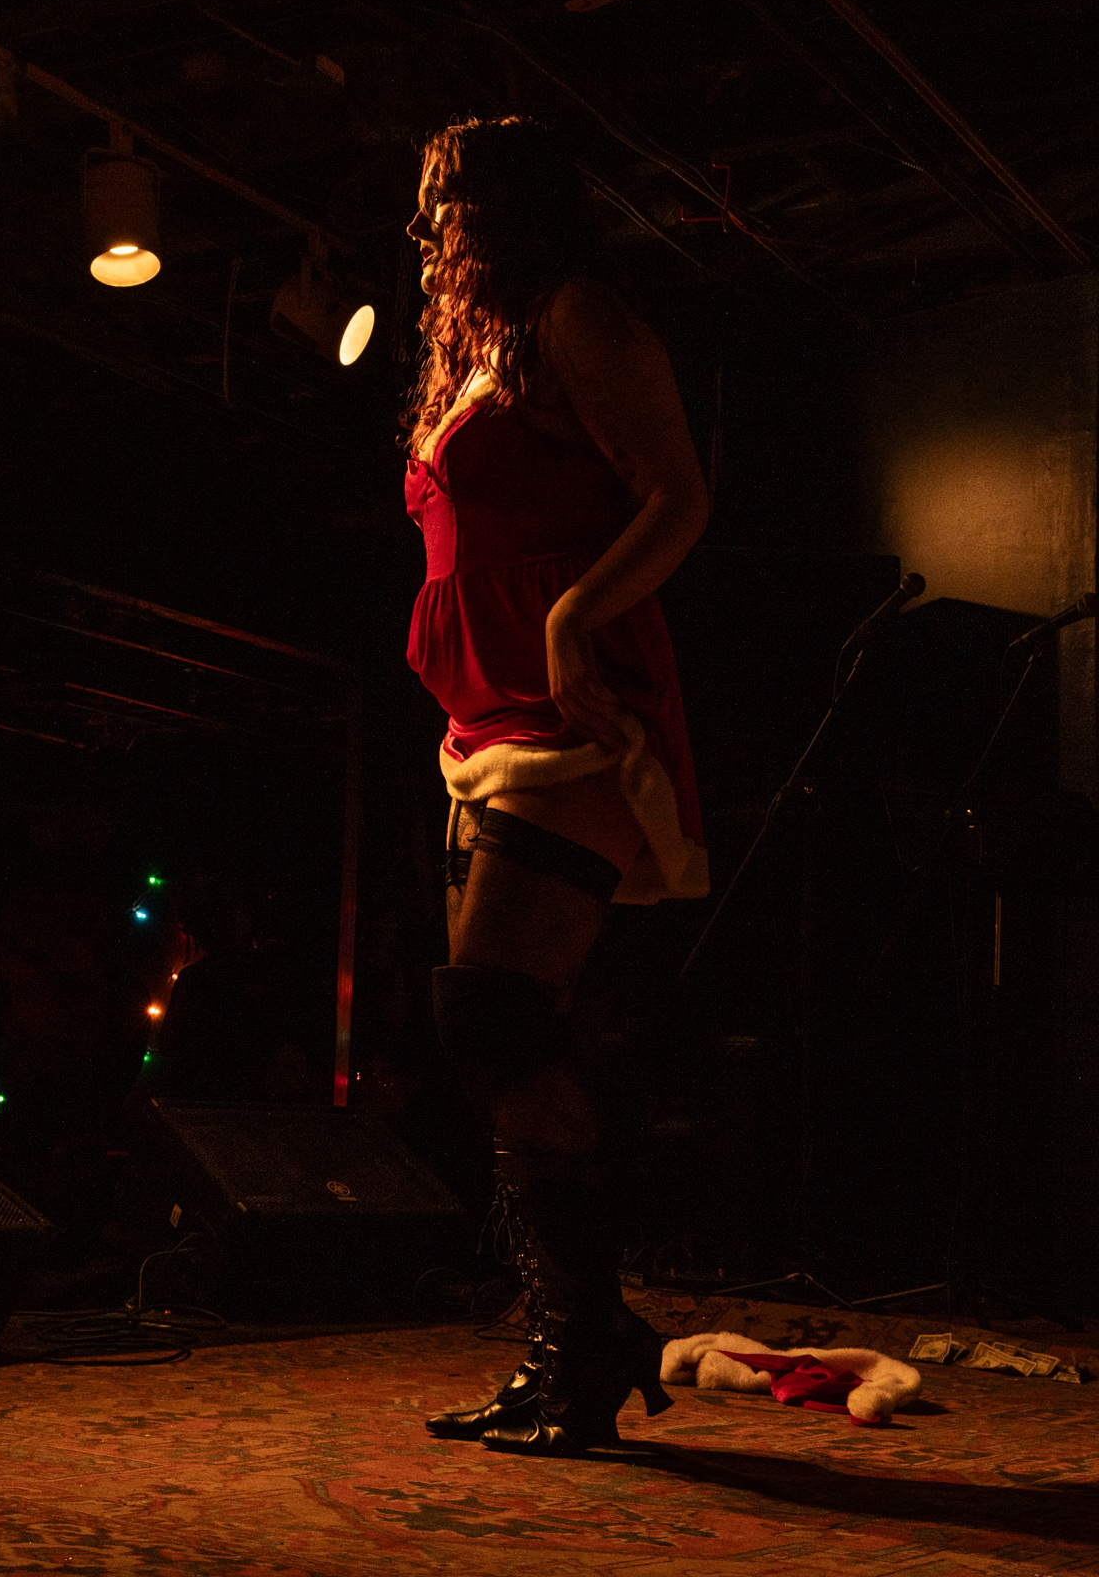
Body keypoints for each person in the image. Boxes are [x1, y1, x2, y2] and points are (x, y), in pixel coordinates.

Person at [402, 117, 711, 1456]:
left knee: (493, 1017)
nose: (429, 233)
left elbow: (679, 495)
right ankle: (574, 1340)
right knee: (504, 1032)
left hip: (573, 713)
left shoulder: (575, 318)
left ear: (508, 212)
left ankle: (586, 1337)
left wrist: (577, 615)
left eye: (447, 206)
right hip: (481, 722)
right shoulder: (482, 354)